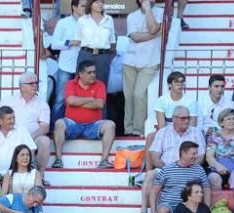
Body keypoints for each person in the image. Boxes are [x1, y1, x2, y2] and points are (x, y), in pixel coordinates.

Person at [52, 60, 115, 169]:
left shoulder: (100, 85)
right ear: (80, 74)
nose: (93, 75)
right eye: (89, 72)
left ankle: (104, 161)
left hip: (93, 125)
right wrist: (90, 99)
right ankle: (58, 160)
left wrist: (78, 102)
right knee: (59, 124)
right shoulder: (70, 84)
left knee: (110, 125)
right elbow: (70, 101)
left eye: (94, 72)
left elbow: (99, 104)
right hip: (72, 124)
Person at [122, 0, 163, 137]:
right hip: (130, 61)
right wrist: (155, 34)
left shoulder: (161, 13)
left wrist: (148, 11)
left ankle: (137, 130)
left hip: (150, 61)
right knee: (128, 97)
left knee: (139, 95)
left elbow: (152, 27)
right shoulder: (132, 16)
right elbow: (135, 37)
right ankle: (128, 129)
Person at [0, 105, 39, 181]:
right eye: (9, 119)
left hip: (16, 174)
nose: (12, 121)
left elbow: (31, 150)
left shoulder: (22, 130)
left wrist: (22, 169)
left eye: (13, 118)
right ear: (0, 121)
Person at [75, 0, 115, 86]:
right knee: (82, 84)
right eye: (97, 2)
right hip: (86, 55)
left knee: (101, 85)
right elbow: (78, 40)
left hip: (103, 57)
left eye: (101, 2)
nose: (100, 4)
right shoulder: (82, 20)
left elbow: (112, 42)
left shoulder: (109, 19)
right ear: (90, 5)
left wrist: (106, 58)